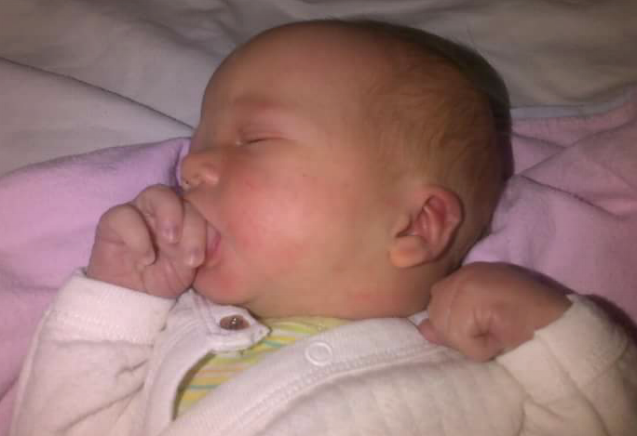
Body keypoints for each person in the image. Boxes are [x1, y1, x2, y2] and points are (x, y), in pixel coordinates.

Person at [10, 20, 637, 436]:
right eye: (199, 144)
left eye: (254, 140)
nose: (192, 166)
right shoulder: (174, 341)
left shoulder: (486, 372)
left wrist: (553, 334)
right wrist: (118, 298)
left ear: (416, 224)